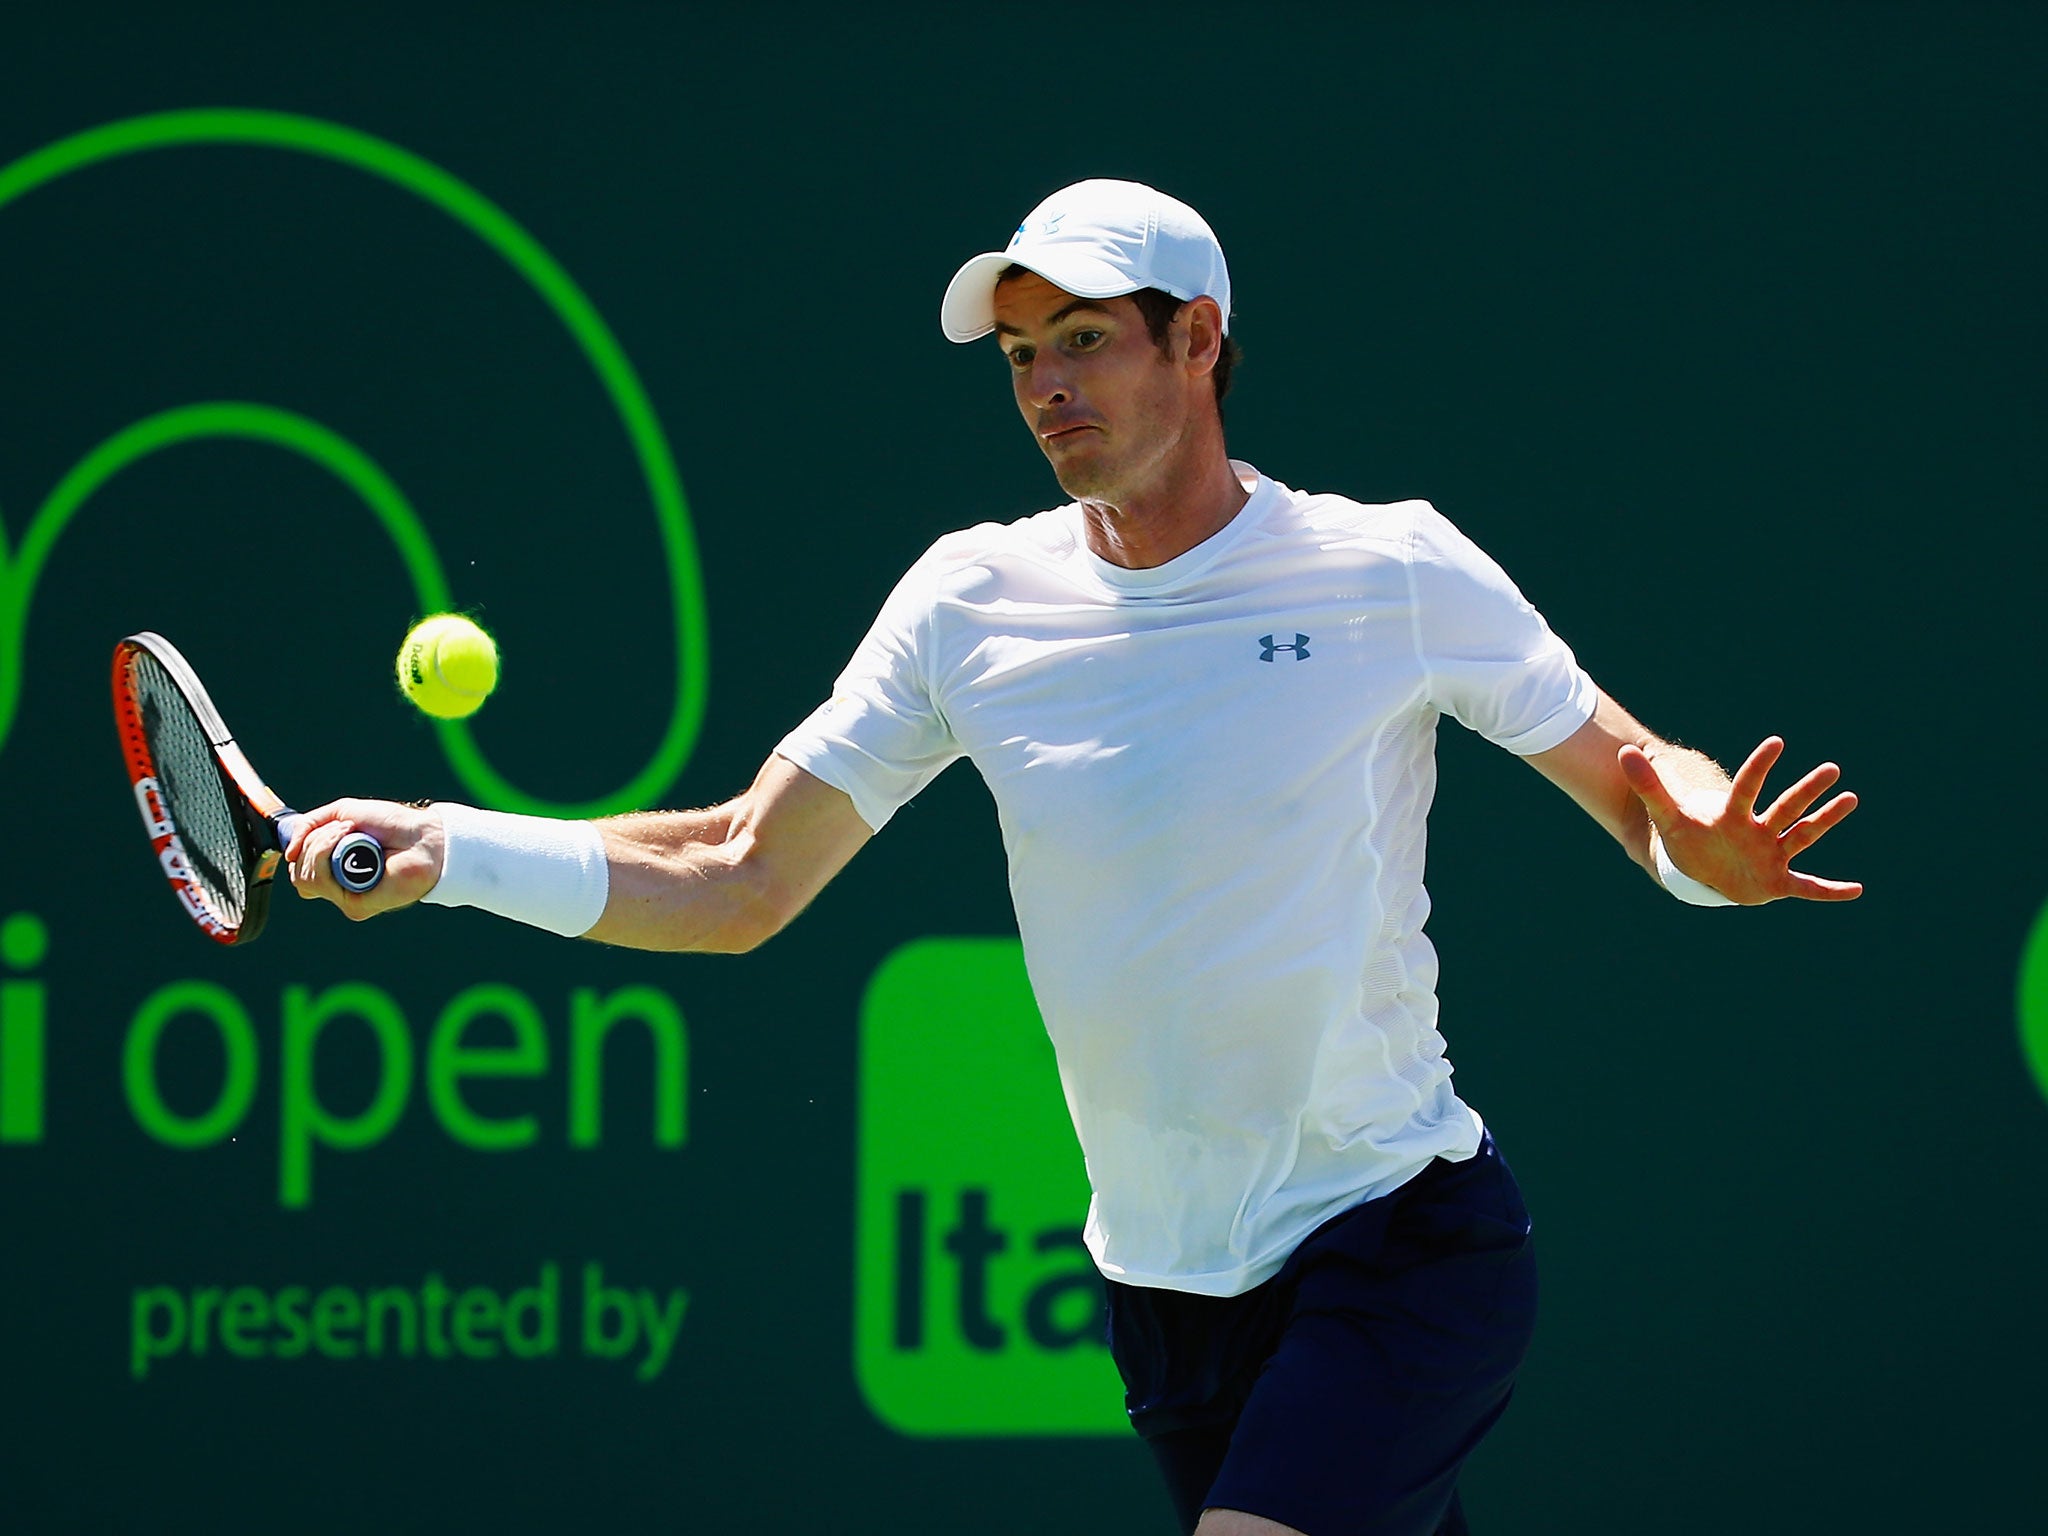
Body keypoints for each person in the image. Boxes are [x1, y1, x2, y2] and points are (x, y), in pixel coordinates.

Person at [289, 179, 1861, 1536]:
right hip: (1169, 1298)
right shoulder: (969, 603)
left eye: (1088, 339)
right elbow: (743, 873)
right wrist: (450, 846)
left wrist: (1703, 847)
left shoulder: (1391, 570)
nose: (1047, 386)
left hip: (1399, 1243)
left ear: (1200, 340)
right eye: (1025, 357)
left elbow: (1642, 775)